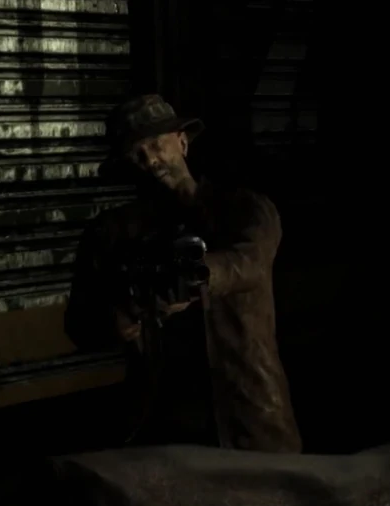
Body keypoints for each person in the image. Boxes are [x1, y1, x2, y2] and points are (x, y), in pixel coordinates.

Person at [65, 94, 301, 453]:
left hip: (252, 415)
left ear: (182, 142)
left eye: (156, 145)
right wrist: (118, 319)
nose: (150, 160)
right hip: (165, 425)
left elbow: (249, 262)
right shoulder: (111, 234)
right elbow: (80, 324)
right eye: (136, 154)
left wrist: (192, 279)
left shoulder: (244, 209)